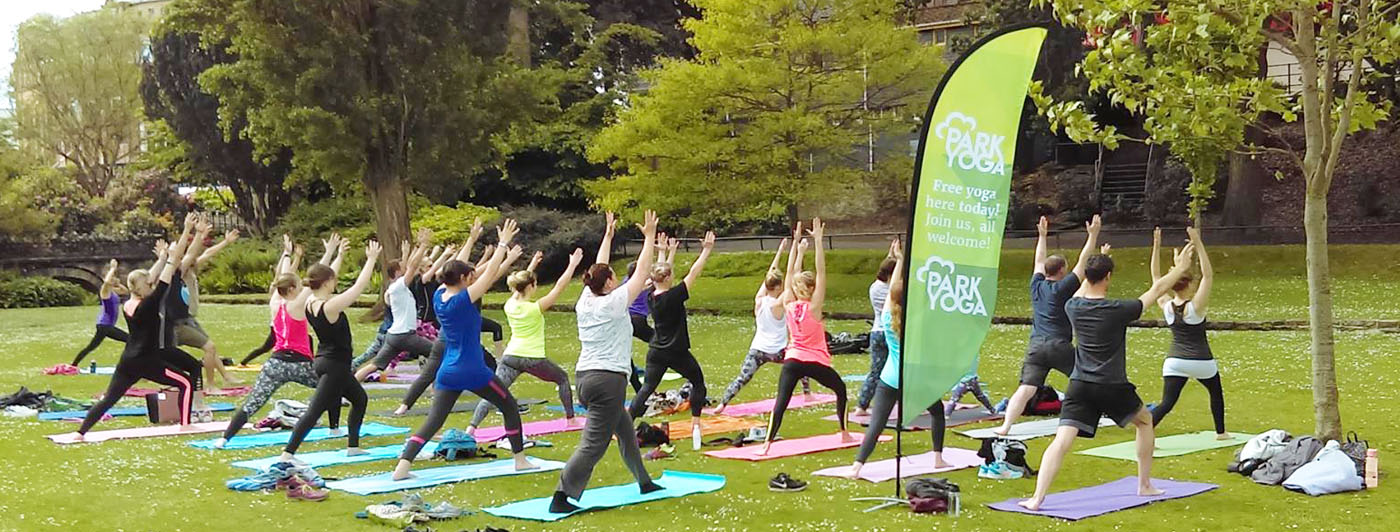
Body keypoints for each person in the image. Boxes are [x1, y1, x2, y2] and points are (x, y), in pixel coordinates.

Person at [1018, 242, 1197, 511]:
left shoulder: (1072, 306)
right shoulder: (1118, 309)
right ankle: (1144, 484)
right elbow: (1157, 290)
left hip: (1079, 385)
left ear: (1088, 277)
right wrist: (1181, 268)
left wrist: (1096, 260)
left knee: (1061, 441)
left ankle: (1037, 498)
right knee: (1145, 421)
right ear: (1109, 277)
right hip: (1111, 385)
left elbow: (1079, 284)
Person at [393, 220, 537, 479]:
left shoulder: (439, 294)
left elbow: (454, 269)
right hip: (472, 370)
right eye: (468, 276)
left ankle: (403, 466)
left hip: (448, 371)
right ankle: (520, 460)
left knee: (434, 421)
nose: (473, 278)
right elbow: (491, 273)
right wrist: (502, 244)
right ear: (462, 279)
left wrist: (469, 244)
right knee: (510, 407)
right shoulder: (463, 299)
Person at [550, 211, 662, 514]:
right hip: (607, 381)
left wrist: (609, 235)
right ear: (610, 283)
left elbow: (598, 269)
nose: (615, 275)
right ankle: (561, 495)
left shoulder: (586, 298)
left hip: (586, 377)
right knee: (594, 445)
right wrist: (650, 236)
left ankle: (644, 481)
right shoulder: (615, 302)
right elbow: (642, 271)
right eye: (612, 274)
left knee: (625, 428)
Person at [74, 214, 204, 439]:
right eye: (149, 283)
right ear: (143, 287)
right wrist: (179, 243)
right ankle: (185, 425)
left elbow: (152, 276)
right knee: (186, 382)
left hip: (128, 360)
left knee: (109, 399)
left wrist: (164, 256)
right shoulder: (150, 304)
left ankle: (80, 432)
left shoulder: (129, 303)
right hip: (148, 361)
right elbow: (163, 278)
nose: (152, 284)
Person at [215, 235, 345, 449]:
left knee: (253, 403)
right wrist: (330, 252)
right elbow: (318, 277)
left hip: (275, 364)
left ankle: (224, 438)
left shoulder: (275, 302)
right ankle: (334, 428)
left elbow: (283, 276)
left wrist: (286, 253)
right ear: (293, 289)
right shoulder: (297, 305)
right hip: (299, 364)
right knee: (332, 384)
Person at [844, 240, 951, 477]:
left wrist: (900, 260)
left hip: (890, 377)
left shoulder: (886, 317)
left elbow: (894, 291)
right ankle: (938, 458)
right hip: (916, 378)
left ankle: (856, 466)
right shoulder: (918, 321)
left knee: (877, 424)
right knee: (937, 411)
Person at [994, 215, 1102, 435]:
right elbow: (1083, 262)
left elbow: (1038, 261)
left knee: (1025, 389)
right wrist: (1093, 236)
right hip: (1059, 345)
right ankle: (1092, 417)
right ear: (1062, 270)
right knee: (1085, 377)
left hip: (1036, 346)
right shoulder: (1065, 287)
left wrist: (1042, 236)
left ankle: (1005, 427)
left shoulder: (1036, 286)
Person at [278, 240, 382, 463]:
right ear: (327, 283)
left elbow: (325, 278)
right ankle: (288, 454)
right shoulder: (330, 307)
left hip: (330, 362)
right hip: (334, 365)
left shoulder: (309, 302)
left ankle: (353, 446)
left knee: (360, 398)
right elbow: (358, 288)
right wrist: (371, 259)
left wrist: (336, 256)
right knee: (314, 410)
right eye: (333, 280)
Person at [393, 241, 523, 415]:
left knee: (430, 372)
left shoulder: (445, 291)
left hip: (445, 337)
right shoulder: (467, 293)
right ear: (464, 277)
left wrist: (504, 257)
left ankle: (404, 406)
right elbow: (491, 273)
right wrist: (503, 251)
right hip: (461, 341)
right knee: (490, 367)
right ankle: (504, 404)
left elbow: (486, 271)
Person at [758, 219, 852, 456]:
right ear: (812, 289)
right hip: (814, 361)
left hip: (792, 359)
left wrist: (797, 248)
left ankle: (767, 444)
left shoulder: (789, 304)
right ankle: (843, 431)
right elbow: (821, 272)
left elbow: (789, 273)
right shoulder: (814, 307)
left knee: (781, 402)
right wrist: (819, 242)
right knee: (840, 390)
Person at [466, 247, 585, 432]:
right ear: (531, 286)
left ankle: (471, 428)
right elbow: (559, 286)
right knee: (562, 378)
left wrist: (533, 264)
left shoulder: (510, 304)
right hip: (532, 358)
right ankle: (571, 420)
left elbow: (521, 284)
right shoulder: (534, 308)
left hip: (510, 357)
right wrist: (572, 265)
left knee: (494, 392)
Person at [628, 230, 717, 450]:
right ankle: (696, 426)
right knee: (698, 383)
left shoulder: (651, 296)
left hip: (656, 350)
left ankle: (626, 427)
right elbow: (694, 272)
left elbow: (660, 273)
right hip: (677, 351)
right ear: (667, 278)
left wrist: (664, 253)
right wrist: (706, 251)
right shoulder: (674, 295)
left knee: (646, 389)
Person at [713, 238, 811, 413]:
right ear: (779, 287)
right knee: (800, 361)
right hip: (777, 351)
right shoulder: (778, 305)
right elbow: (791, 279)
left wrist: (780, 252)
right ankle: (807, 393)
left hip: (757, 349)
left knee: (742, 378)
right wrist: (799, 251)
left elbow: (770, 275)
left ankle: (722, 404)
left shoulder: (759, 301)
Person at [1149, 227, 1227, 439]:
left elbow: (1156, 277)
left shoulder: (1166, 305)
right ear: (1191, 284)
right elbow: (1208, 275)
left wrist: (1156, 245)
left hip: (1174, 362)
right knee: (1215, 393)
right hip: (1202, 361)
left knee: (1166, 403)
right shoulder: (1196, 307)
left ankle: (1147, 433)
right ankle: (1221, 433)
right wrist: (1198, 242)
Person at [165, 225, 242, 388]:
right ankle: (219, 380)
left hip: (188, 317)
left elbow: (206, 253)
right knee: (209, 347)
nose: (194, 256)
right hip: (183, 320)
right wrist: (198, 236)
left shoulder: (190, 269)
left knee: (210, 347)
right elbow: (194, 251)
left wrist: (225, 242)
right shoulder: (180, 271)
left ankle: (225, 376)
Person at [355, 230, 437, 382]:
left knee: (375, 365)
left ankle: (349, 386)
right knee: (438, 353)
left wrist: (413, 250)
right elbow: (411, 267)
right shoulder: (399, 286)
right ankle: (434, 387)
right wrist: (423, 246)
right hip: (405, 335)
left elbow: (410, 267)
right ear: (398, 272)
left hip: (393, 336)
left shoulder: (396, 288)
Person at [240, 241, 310, 366]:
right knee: (265, 348)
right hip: (279, 329)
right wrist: (288, 255)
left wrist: (293, 256)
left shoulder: (282, 297)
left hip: (285, 330)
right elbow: (286, 274)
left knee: (306, 339)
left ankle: (310, 361)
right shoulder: (278, 298)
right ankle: (244, 361)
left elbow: (287, 274)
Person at [854, 240, 898, 417]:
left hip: (876, 332)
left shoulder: (875, 287)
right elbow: (895, 280)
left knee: (876, 371)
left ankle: (861, 406)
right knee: (900, 369)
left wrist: (892, 254)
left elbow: (888, 269)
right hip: (891, 332)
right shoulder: (893, 291)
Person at [73, 259, 129, 366]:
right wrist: (113, 268)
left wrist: (118, 284)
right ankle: (126, 364)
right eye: (112, 277)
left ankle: (74, 364)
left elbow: (125, 291)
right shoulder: (104, 291)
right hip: (105, 325)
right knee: (130, 340)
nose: (113, 279)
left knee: (91, 346)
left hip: (105, 325)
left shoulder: (112, 291)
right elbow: (107, 282)